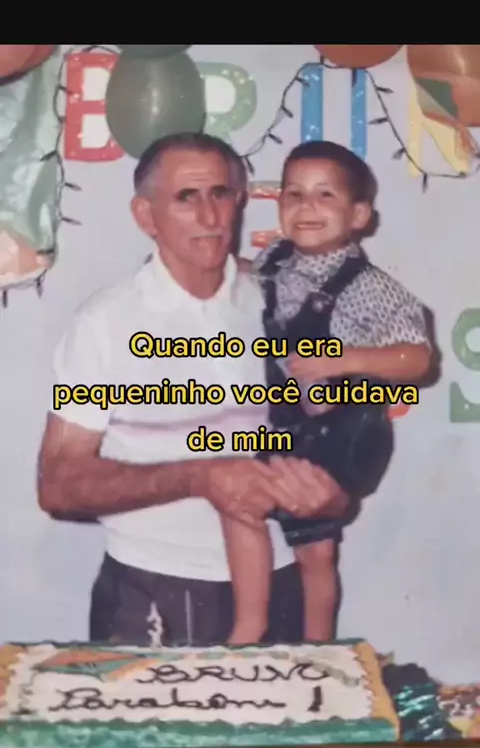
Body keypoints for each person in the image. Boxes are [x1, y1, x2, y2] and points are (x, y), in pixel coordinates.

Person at [37, 132, 349, 648]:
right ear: (146, 215)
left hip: (281, 580)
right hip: (151, 588)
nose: (209, 216)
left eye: (220, 194)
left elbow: (338, 431)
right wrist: (198, 477)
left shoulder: (281, 302)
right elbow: (59, 484)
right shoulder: (105, 324)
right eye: (186, 197)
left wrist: (333, 495)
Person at [225, 140, 433, 645]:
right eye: (293, 194)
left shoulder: (371, 287)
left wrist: (341, 360)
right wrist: (222, 270)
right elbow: (255, 283)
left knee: (316, 551)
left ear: (359, 215)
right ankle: (249, 625)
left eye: (325, 195)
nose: (306, 206)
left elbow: (416, 359)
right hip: (286, 423)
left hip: (340, 432)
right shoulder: (277, 259)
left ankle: (319, 649)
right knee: (238, 502)